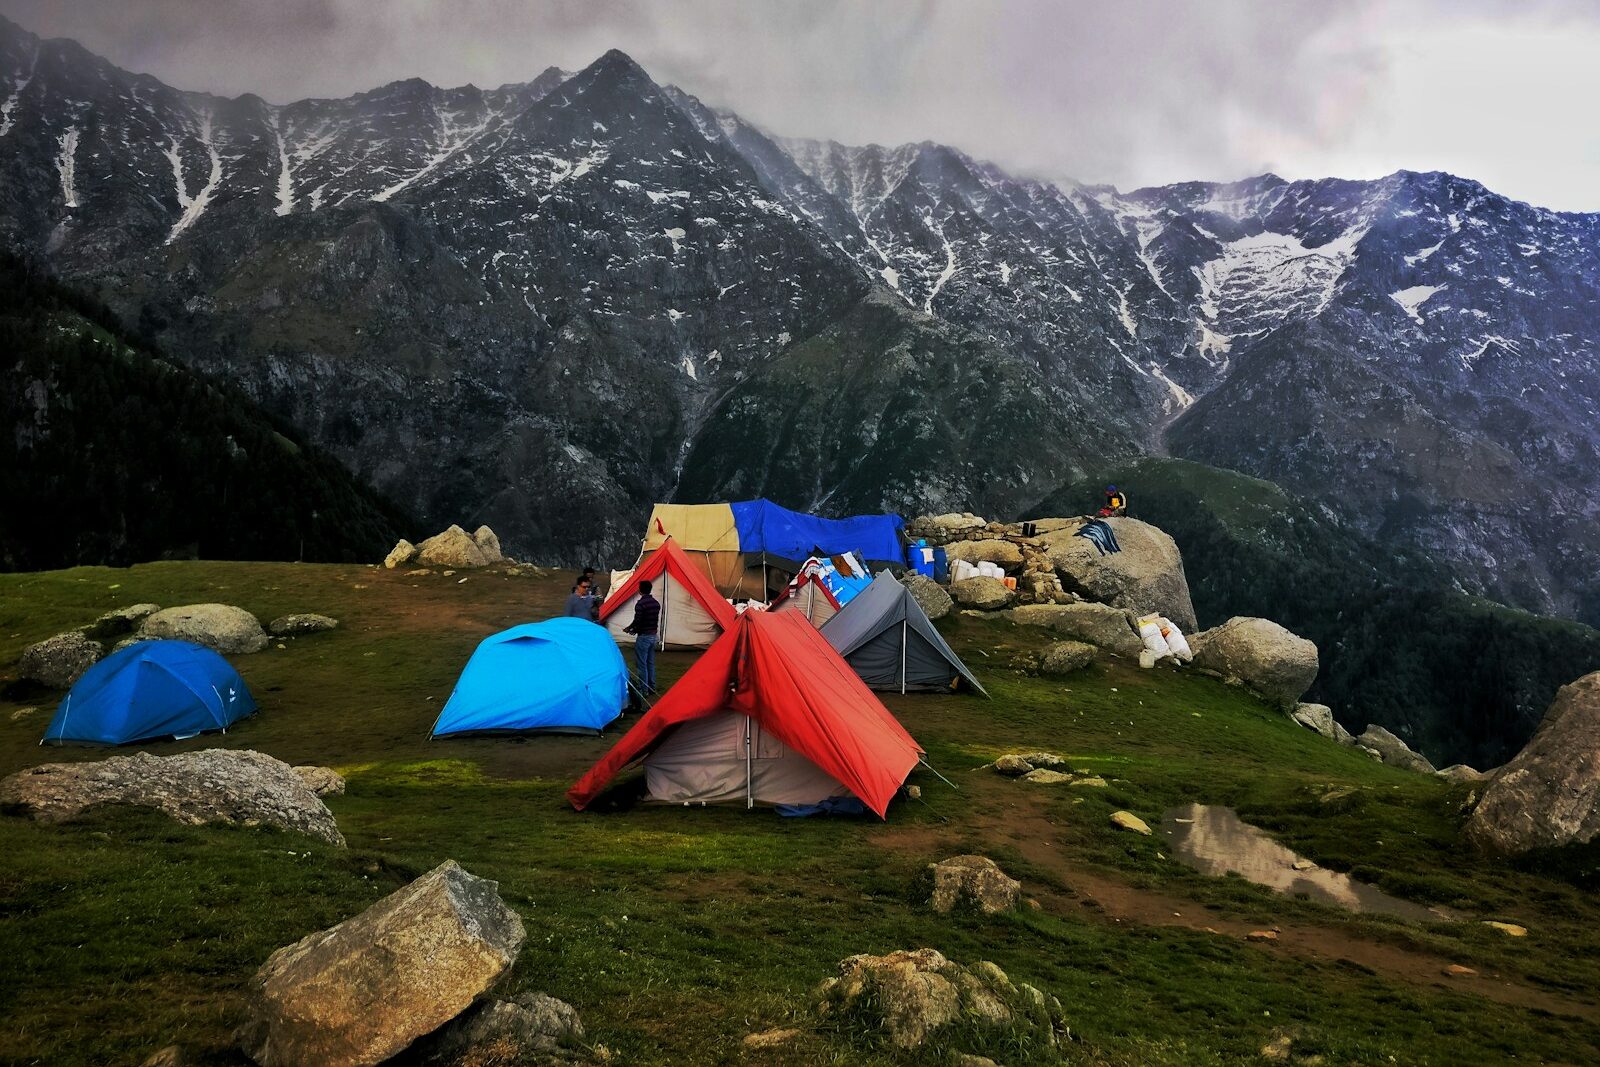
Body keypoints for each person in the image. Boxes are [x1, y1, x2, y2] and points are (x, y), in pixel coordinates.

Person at [623, 578, 661, 693]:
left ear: (640, 590)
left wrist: (631, 629)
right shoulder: (656, 603)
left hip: (644, 636)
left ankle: (643, 689)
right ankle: (651, 687)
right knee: (650, 662)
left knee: (641, 663)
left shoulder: (640, 604)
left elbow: (638, 620)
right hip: (653, 635)